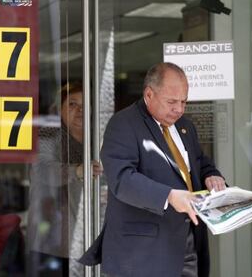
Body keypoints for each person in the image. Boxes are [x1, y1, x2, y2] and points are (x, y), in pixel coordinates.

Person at [80, 62, 226, 277]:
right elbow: (122, 179)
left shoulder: (185, 125)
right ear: (149, 95)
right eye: (172, 102)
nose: (179, 109)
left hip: (188, 243)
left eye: (184, 101)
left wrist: (212, 176)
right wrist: (168, 196)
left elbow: (199, 162)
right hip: (142, 253)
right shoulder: (123, 124)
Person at [28, 82, 102, 276]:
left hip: (90, 239)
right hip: (53, 242)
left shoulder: (97, 139)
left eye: (85, 105)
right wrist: (77, 171)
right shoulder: (48, 135)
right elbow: (43, 170)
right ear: (58, 109)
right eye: (72, 104)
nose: (80, 111)